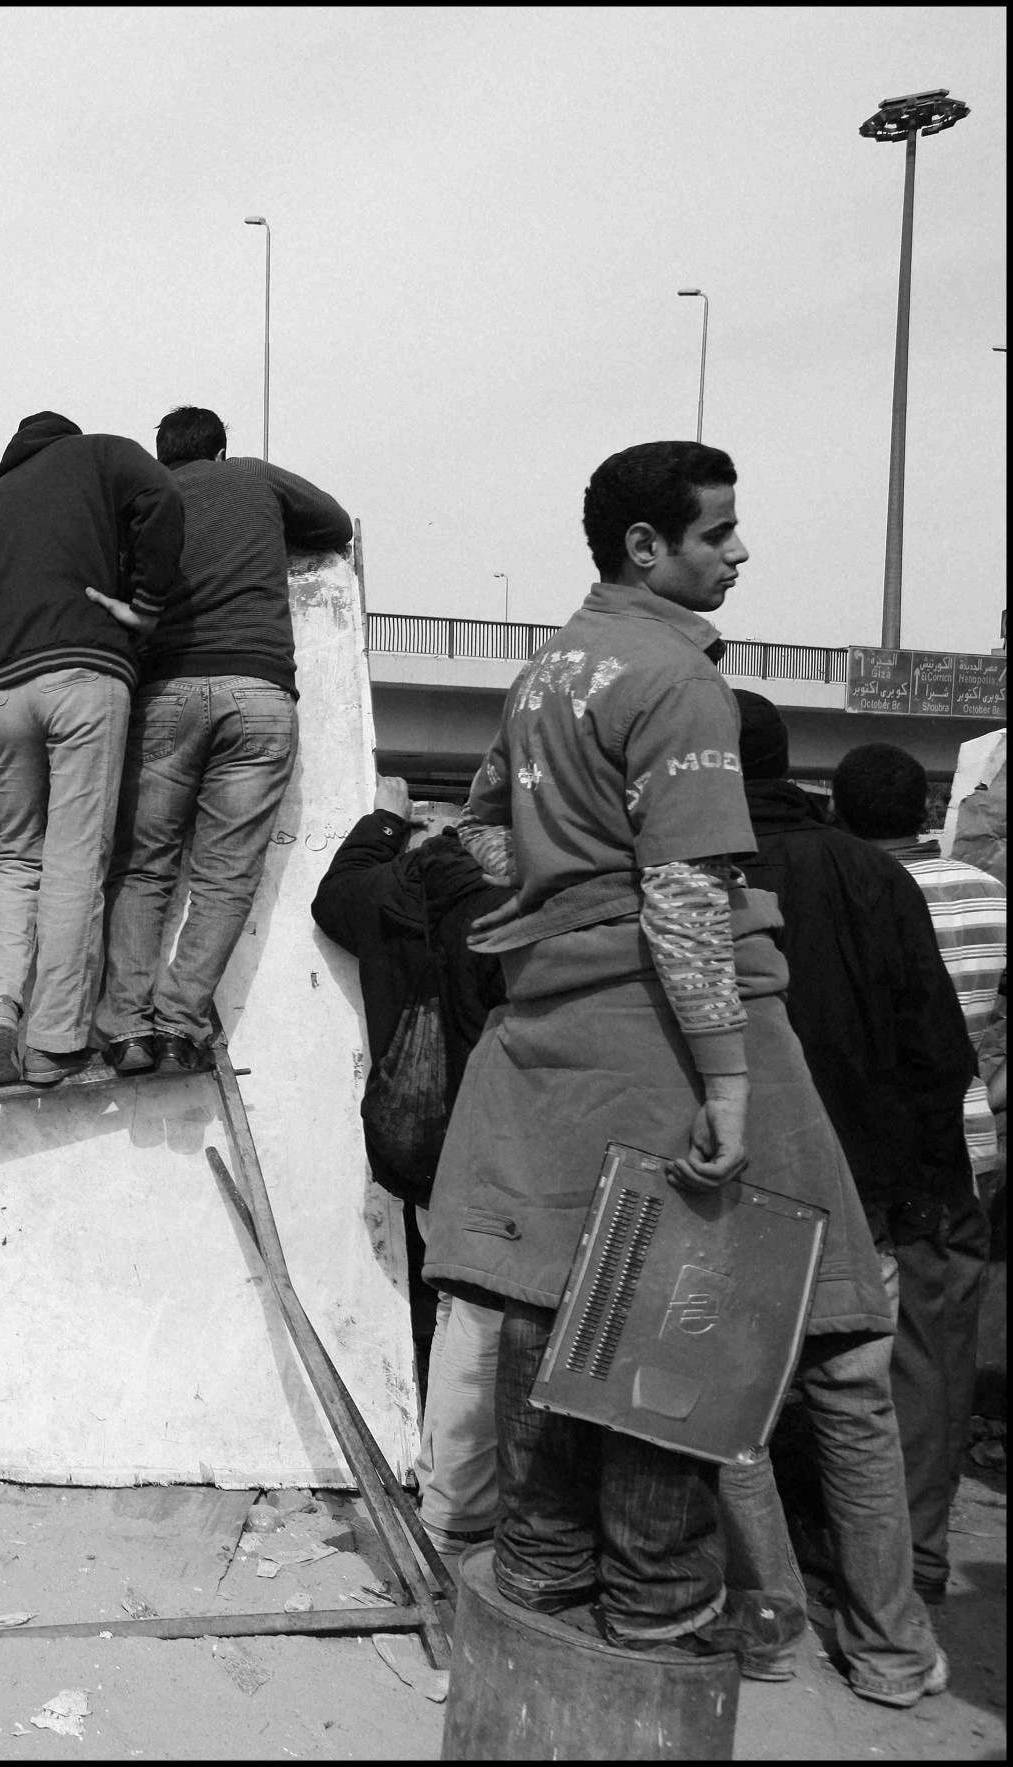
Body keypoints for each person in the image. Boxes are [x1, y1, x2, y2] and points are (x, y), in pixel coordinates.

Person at [425, 440, 880, 1665]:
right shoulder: (675, 679)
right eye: (717, 533)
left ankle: (539, 1604)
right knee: (659, 1341)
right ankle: (655, 1623)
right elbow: (683, 896)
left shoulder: (546, 672)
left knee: (545, 1321)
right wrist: (727, 1080)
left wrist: (563, 906)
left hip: (549, 1042)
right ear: (646, 546)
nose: (738, 552)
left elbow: (477, 833)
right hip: (652, 1050)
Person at [714, 698, 957, 1702]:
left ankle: (769, 1629)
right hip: (855, 1191)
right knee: (855, 1410)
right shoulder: (870, 872)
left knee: (730, 1414)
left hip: (728, 1190)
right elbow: (934, 1048)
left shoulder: (687, 877)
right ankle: (890, 1650)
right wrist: (910, 1184)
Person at [96, 407, 354, 1074]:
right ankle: (179, 1028)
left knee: (143, 866)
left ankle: (127, 1029)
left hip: (167, 693)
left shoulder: (147, 498)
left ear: (161, 455)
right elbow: (335, 525)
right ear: (218, 449)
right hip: (259, 694)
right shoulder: (251, 477)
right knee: (226, 876)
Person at [311, 777, 511, 1556]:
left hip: (413, 1140)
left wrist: (384, 820)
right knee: (483, 1314)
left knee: (448, 1304)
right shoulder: (503, 914)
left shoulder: (387, 894)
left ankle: (442, 1475)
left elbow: (333, 894)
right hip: (491, 1143)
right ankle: (460, 1502)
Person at [835, 740, 1005, 1620]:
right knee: (935, 1360)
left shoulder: (843, 893)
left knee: (840, 1363)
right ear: (927, 810)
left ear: (841, 811)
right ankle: (921, 1551)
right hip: (963, 1154)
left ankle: (851, 1551)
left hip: (860, 1155)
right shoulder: (990, 894)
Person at [0, 411, 186, 1087]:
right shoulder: (100, 455)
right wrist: (146, 601)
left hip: (3, 691)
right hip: (84, 674)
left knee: (15, 856)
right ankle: (53, 1040)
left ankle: (1, 1013)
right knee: (74, 859)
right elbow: (163, 496)